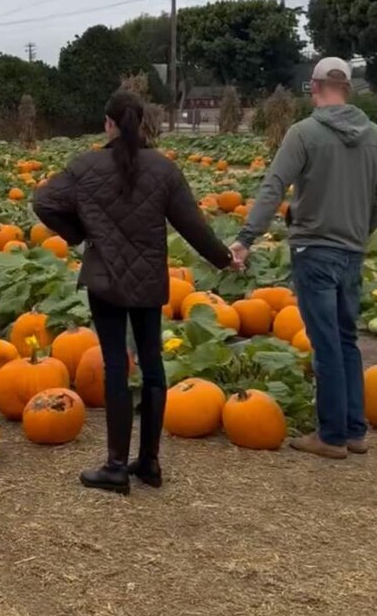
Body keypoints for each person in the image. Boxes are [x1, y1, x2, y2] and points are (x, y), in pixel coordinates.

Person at [33, 89, 235, 495]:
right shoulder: (163, 169)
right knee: (152, 365)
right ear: (141, 122)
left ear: (108, 123)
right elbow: (192, 225)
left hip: (105, 279)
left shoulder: (86, 166)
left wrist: (78, 233)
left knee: (115, 367)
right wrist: (224, 259)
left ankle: (115, 467)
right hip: (148, 281)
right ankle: (150, 463)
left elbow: (43, 201)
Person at [231, 57, 377, 459]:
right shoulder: (373, 136)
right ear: (348, 87)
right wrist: (362, 230)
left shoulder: (304, 133)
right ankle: (354, 431)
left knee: (326, 342)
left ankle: (330, 435)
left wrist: (246, 237)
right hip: (351, 250)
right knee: (347, 340)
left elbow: (274, 186)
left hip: (314, 249)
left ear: (313, 87)